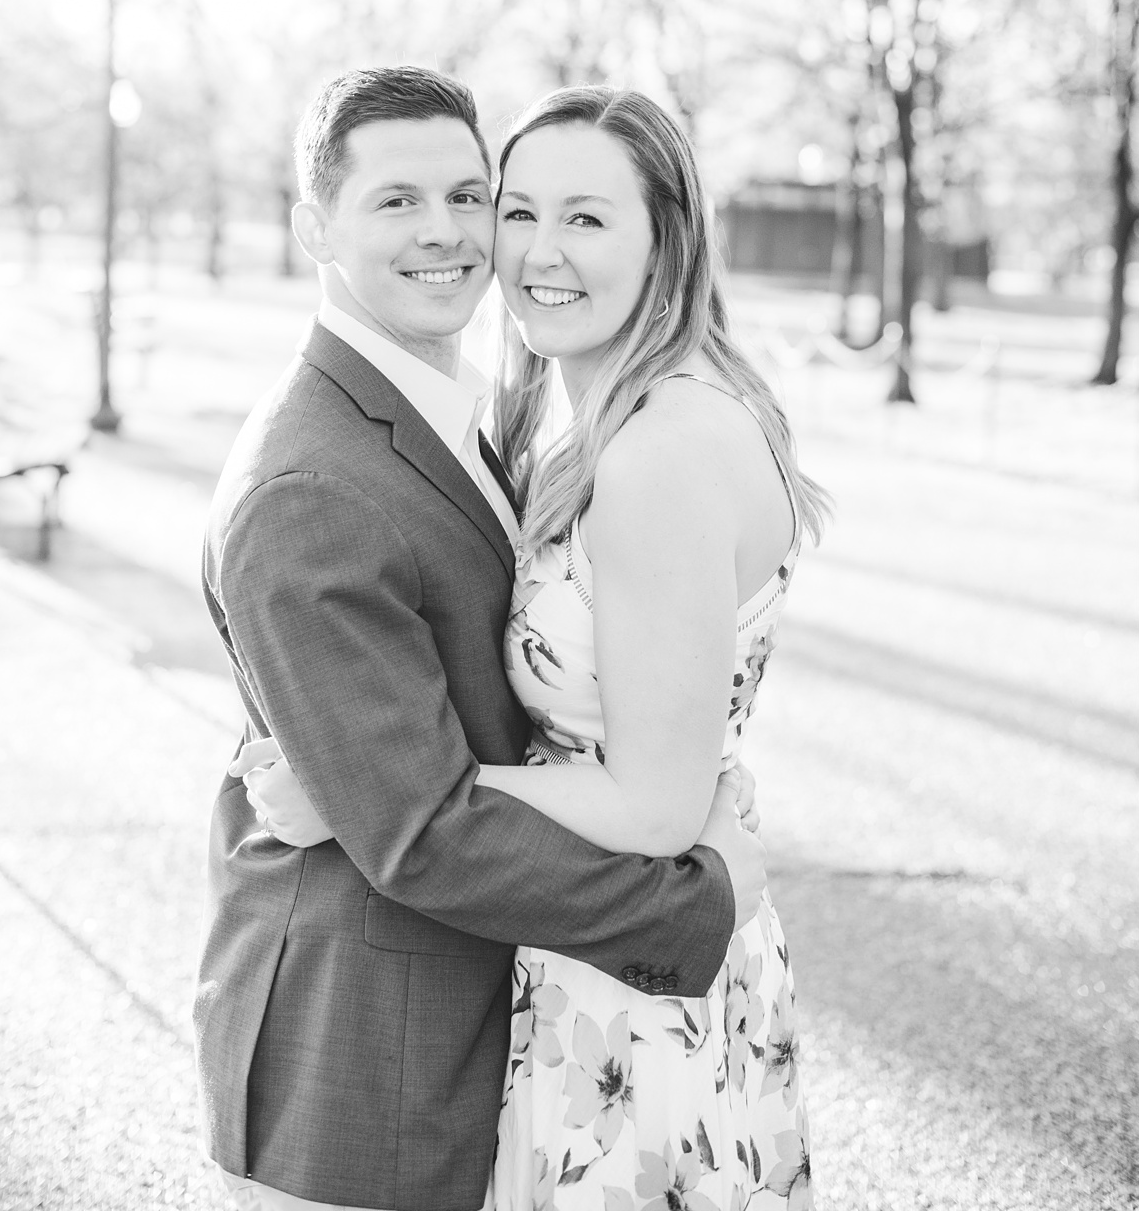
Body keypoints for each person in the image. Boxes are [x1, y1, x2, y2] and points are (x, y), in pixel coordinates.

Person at [197, 67, 769, 1211]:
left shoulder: (511, 416)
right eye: (398, 201)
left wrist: (361, 790)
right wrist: (702, 902)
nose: (452, 234)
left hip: (525, 1012)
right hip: (366, 1049)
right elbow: (417, 833)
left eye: (472, 195)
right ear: (316, 226)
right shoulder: (313, 482)